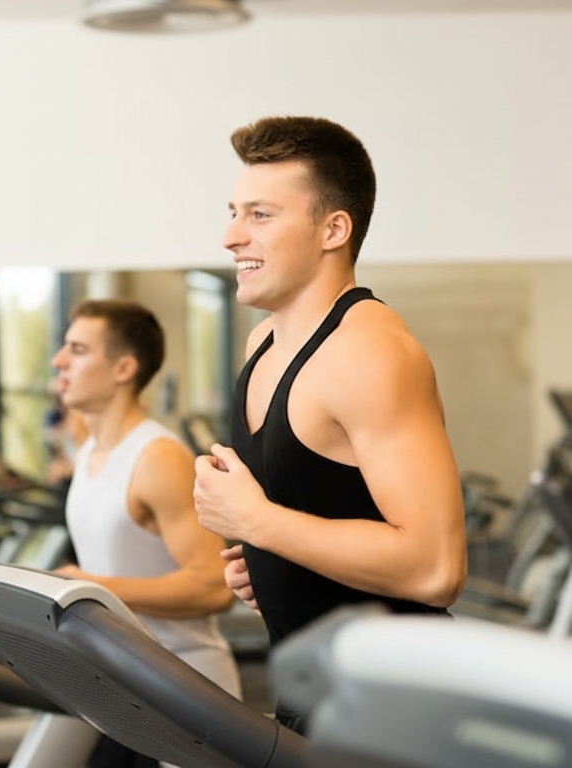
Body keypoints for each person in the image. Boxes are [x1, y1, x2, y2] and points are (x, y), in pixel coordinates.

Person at [193, 116, 468, 734]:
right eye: (234, 212)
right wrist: (266, 559)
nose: (231, 236)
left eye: (260, 215)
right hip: (311, 689)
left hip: (394, 709)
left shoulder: (369, 353)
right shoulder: (262, 341)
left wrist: (257, 521)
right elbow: (329, 511)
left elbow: (436, 569)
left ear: (333, 229)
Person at [51, 298, 241, 767]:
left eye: (77, 349)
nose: (59, 360)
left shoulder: (158, 458)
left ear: (123, 368)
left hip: (181, 687)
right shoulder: (91, 448)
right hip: (116, 683)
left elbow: (213, 586)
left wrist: (86, 589)